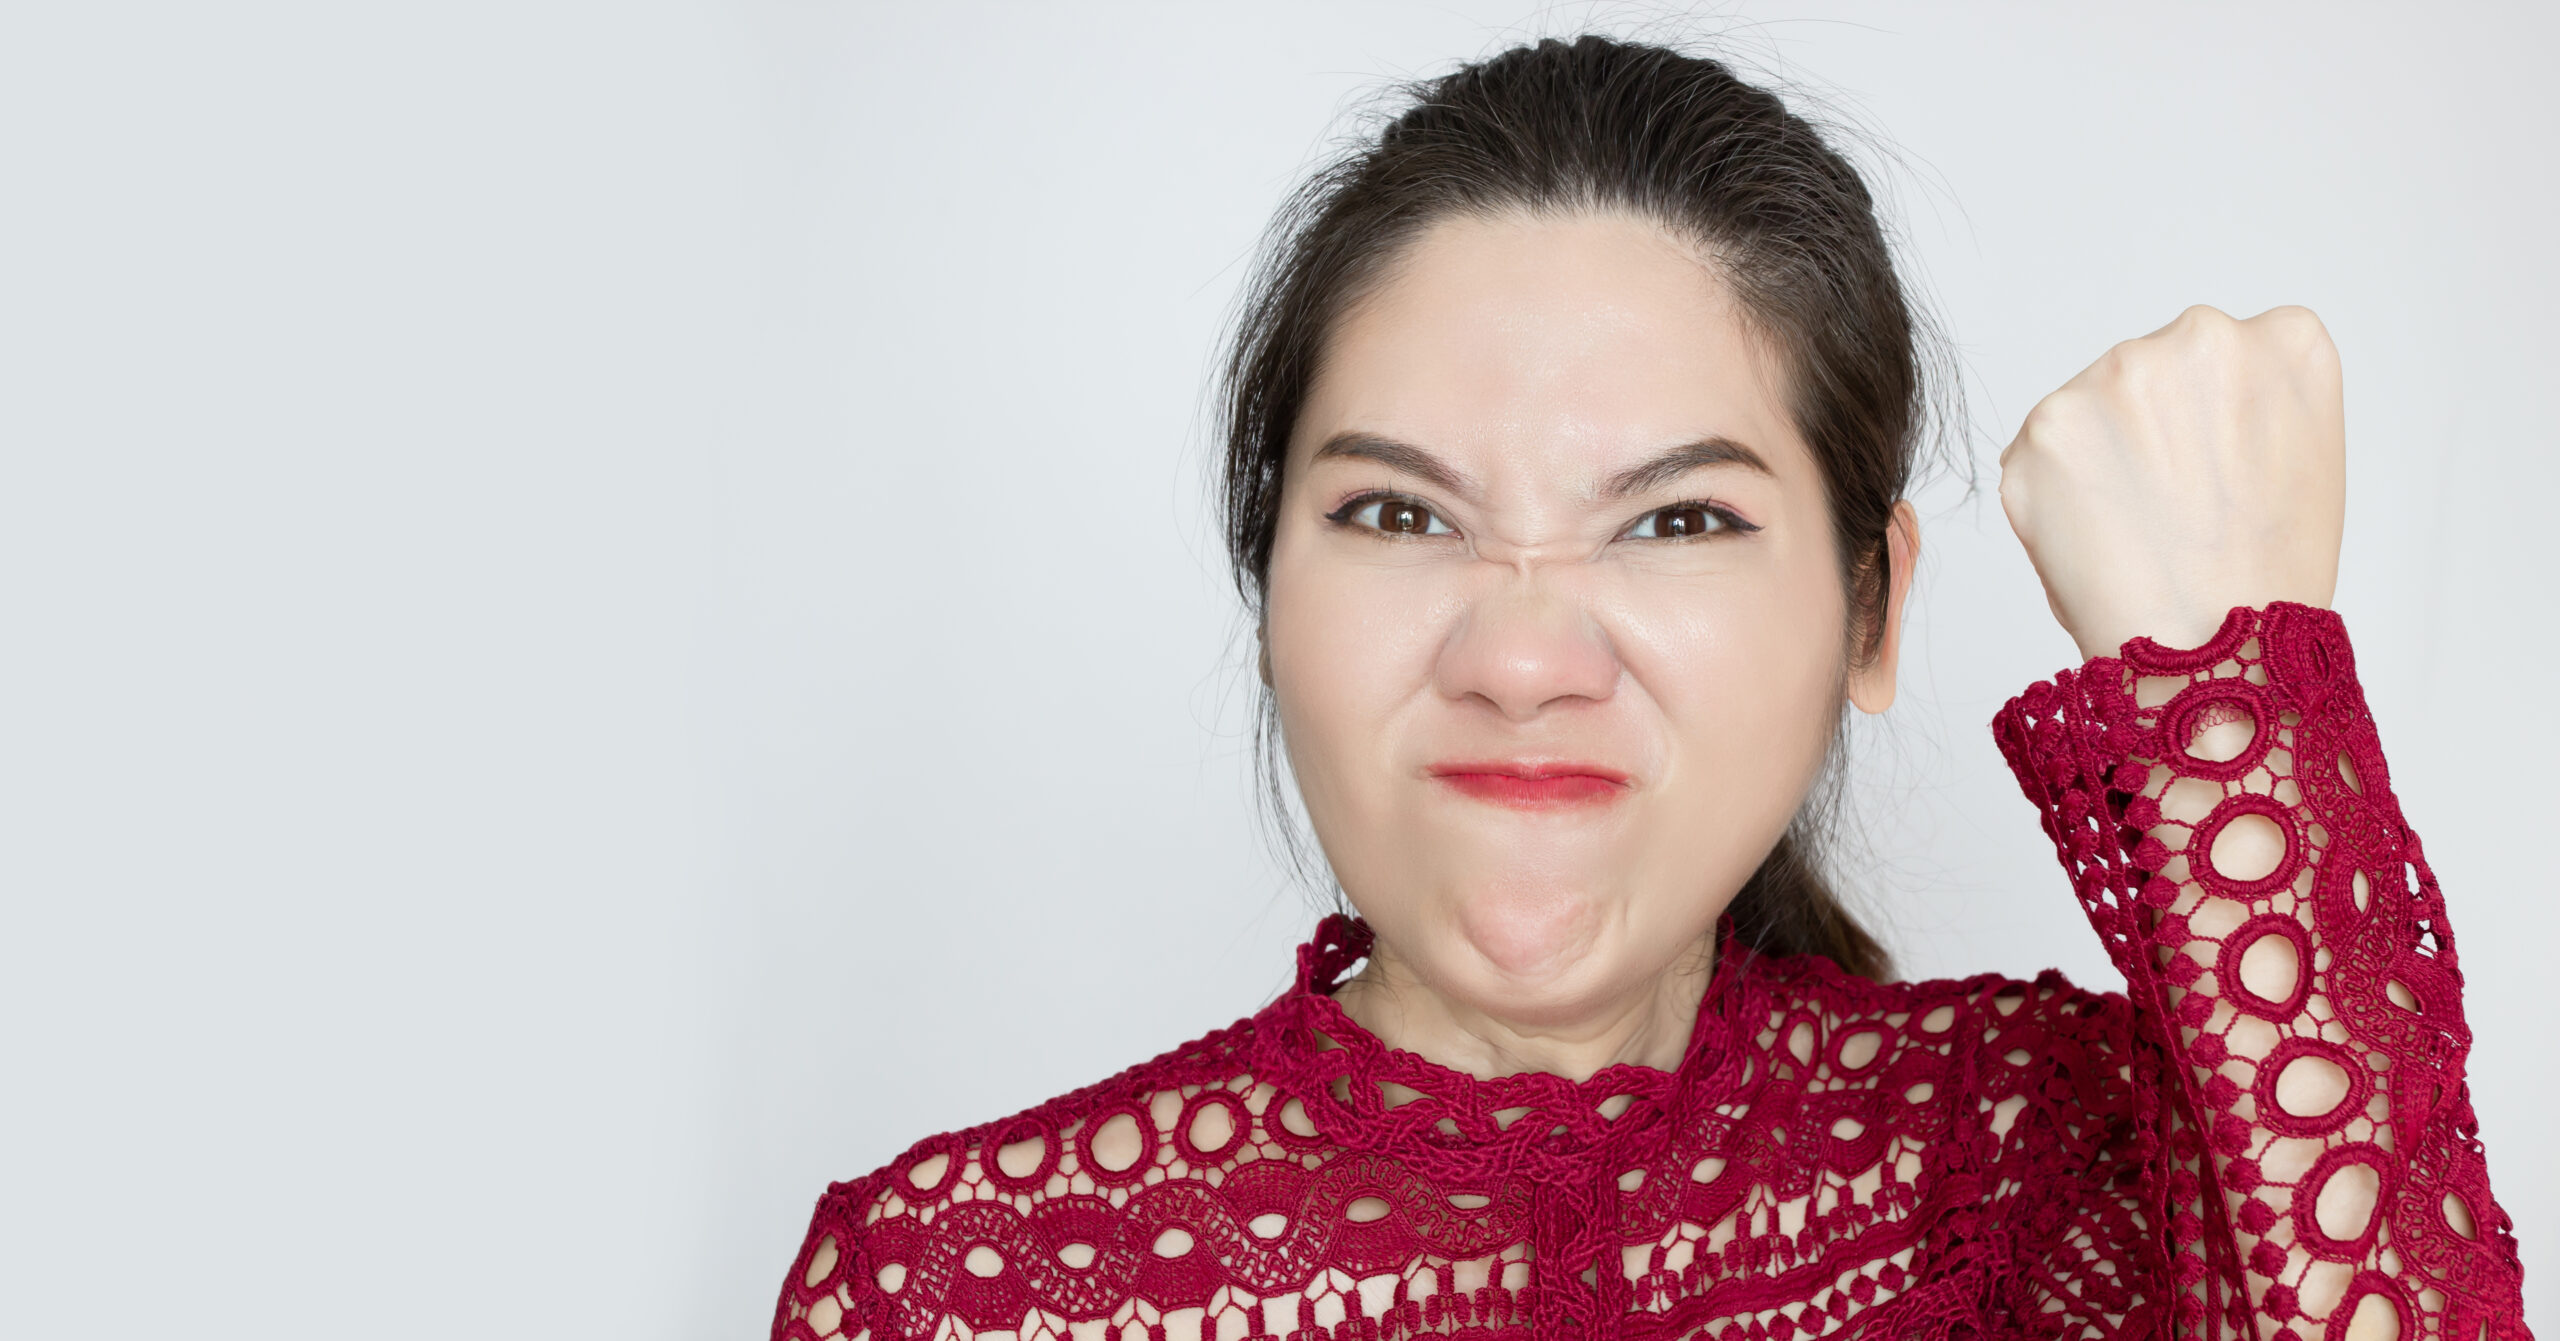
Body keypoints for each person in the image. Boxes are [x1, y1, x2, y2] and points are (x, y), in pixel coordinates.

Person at [770, 35, 2527, 1341]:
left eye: (1676, 519)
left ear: (1871, 612)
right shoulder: (940, 1290)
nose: (1524, 659)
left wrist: (2236, 709)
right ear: (1265, 586)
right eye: (1396, 512)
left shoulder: (2080, 1164)